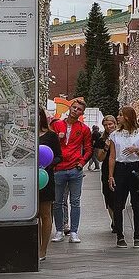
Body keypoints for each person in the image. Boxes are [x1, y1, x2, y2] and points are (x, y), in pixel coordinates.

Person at [108, 106, 139, 248]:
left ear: (127, 117)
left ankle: (137, 236)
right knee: (118, 204)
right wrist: (110, 175)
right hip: (120, 168)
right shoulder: (115, 134)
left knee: (136, 204)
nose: (118, 117)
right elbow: (112, 156)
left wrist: (137, 150)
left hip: (135, 168)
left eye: (120, 115)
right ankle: (120, 235)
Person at [50, 99, 92, 244]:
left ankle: (74, 231)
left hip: (75, 169)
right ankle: (59, 230)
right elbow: (49, 143)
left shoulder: (84, 129)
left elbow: (88, 149)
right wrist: (57, 138)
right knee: (57, 202)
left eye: (79, 109)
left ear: (82, 113)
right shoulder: (56, 125)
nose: (75, 110)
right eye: (74, 107)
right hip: (59, 168)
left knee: (75, 201)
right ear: (69, 108)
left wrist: (81, 163)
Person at [37, 109, 62, 261]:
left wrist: (48, 164)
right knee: (31, 214)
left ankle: (43, 249)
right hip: (27, 178)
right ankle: (34, 245)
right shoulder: (24, 134)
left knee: (45, 213)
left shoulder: (51, 135)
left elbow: (59, 156)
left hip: (44, 177)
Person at [96, 115, 118, 233]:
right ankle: (115, 222)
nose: (108, 127)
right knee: (109, 197)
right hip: (106, 170)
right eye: (105, 125)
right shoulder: (102, 140)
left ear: (115, 123)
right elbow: (99, 158)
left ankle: (117, 220)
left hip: (119, 169)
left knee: (118, 197)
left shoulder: (121, 137)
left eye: (110, 124)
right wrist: (106, 147)